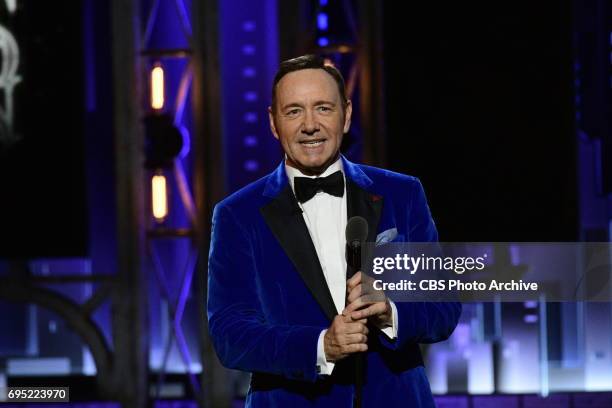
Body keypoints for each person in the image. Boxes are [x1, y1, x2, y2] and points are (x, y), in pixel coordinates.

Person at [207, 54, 461, 407]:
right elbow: (230, 334)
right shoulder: (238, 214)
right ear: (273, 122)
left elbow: (443, 307)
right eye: (294, 111)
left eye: (323, 108)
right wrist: (321, 346)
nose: (309, 124)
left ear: (347, 115)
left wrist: (391, 312)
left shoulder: (402, 194)